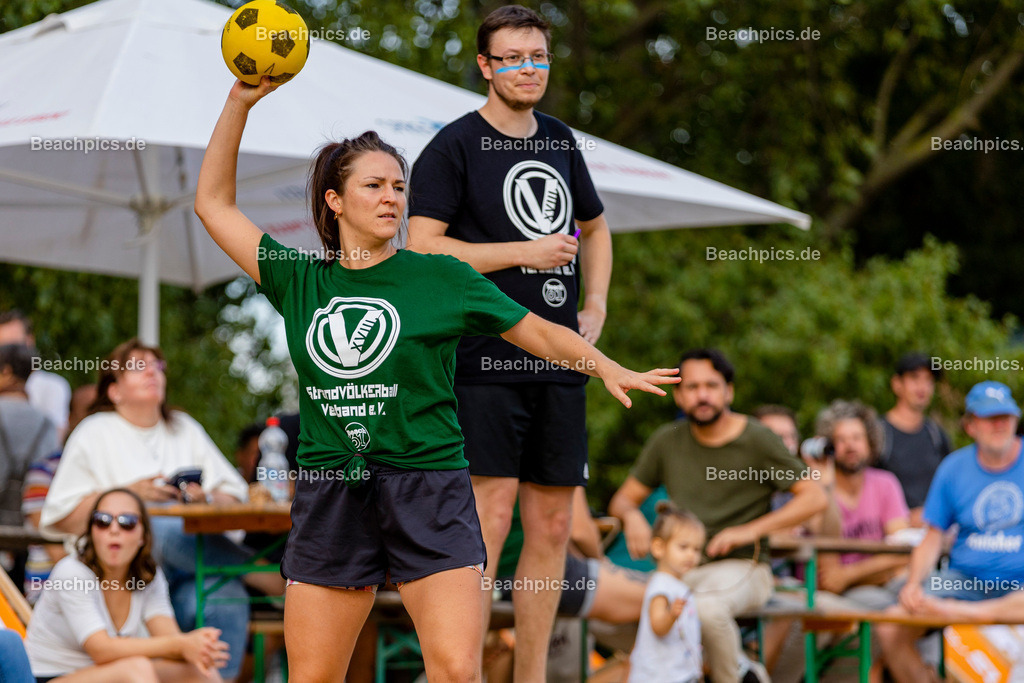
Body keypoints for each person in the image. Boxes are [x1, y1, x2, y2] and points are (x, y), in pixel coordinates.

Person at [192, 74, 678, 682]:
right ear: (335, 202)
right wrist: (240, 101)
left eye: (399, 186)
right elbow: (213, 204)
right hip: (333, 489)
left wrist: (606, 367)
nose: (393, 197)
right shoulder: (300, 279)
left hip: (429, 486)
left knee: (455, 671)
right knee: (314, 676)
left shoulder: (441, 276)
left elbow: (539, 332)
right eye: (374, 186)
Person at [406, 5, 612, 677]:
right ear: (486, 66)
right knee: (488, 519)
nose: (529, 69)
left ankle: (530, 674)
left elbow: (597, 228)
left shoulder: (558, 138)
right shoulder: (453, 147)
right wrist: (525, 251)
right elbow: (424, 249)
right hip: (483, 357)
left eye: (539, 57)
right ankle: (459, 667)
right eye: (514, 58)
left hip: (560, 356)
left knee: (552, 525)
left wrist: (597, 303)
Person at [609, 348, 827, 683]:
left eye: (711, 385)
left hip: (745, 566)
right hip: (682, 571)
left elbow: (814, 498)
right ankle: (736, 667)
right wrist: (632, 517)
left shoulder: (757, 438)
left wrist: (749, 530)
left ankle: (730, 674)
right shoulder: (667, 441)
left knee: (707, 610)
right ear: (679, 396)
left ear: (729, 391)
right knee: (602, 610)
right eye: (692, 387)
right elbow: (623, 500)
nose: (703, 395)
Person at [39, 340, 252, 682]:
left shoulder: (184, 427)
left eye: (157, 366)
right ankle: (256, 569)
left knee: (225, 591)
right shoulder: (94, 432)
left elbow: (236, 497)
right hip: (120, 570)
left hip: (179, 577)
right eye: (138, 366)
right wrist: (130, 497)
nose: (152, 371)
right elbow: (59, 518)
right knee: (158, 524)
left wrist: (205, 499)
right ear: (114, 389)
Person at [877, 380, 1024, 683]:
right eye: (989, 417)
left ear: (1015, 420)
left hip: (1018, 586)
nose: (999, 425)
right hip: (963, 583)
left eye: (1005, 417)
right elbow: (932, 536)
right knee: (890, 626)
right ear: (970, 425)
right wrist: (914, 584)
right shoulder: (953, 468)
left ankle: (969, 613)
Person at [26, 488, 228, 682]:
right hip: (51, 677)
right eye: (102, 521)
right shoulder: (72, 574)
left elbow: (171, 642)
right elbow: (101, 650)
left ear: (143, 536)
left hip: (108, 673)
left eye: (127, 522)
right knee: (136, 668)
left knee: (201, 672)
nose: (114, 529)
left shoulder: (147, 576)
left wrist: (199, 647)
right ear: (91, 532)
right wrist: (182, 644)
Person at [815, 400, 910, 609]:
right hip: (842, 597)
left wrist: (849, 574)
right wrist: (883, 568)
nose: (850, 446)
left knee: (920, 587)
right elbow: (830, 580)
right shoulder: (818, 488)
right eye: (841, 439)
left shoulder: (886, 483)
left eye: (857, 438)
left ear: (870, 442)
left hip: (880, 585)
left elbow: (902, 552)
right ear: (828, 446)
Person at [628, 502, 704, 683]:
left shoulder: (678, 584)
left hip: (677, 674)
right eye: (683, 547)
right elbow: (658, 626)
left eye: (696, 549)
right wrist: (671, 615)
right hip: (658, 676)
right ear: (659, 548)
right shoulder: (661, 586)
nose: (691, 555)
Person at [878, 352, 952, 526]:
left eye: (928, 380)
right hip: (890, 536)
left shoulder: (937, 435)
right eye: (915, 378)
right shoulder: (879, 433)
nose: (922, 387)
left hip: (933, 532)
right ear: (897, 384)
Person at [0, 311, 72, 440]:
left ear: (30, 340)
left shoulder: (52, 387)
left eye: (13, 345)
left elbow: (52, 441)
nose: (7, 354)